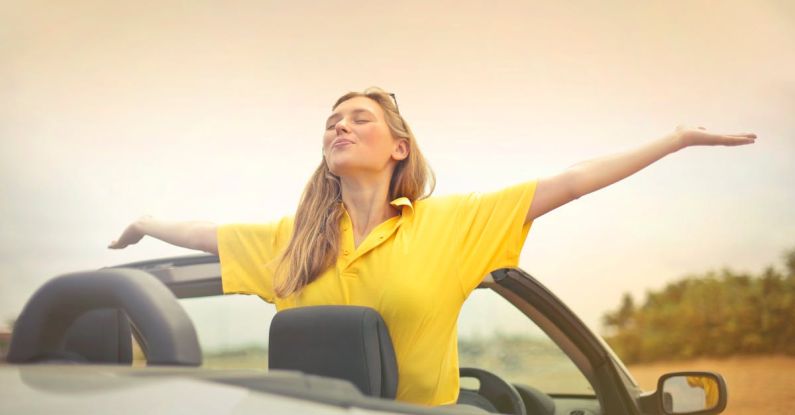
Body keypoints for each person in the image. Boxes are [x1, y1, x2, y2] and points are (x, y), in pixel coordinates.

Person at [109, 86, 756, 406]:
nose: (339, 124)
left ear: (399, 148)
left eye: (358, 117)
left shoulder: (450, 223)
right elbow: (203, 236)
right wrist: (147, 219)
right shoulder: (289, 240)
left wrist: (671, 139)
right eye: (332, 120)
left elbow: (570, 181)